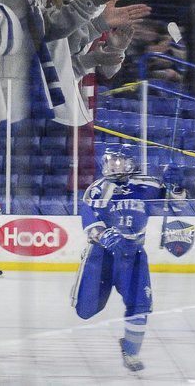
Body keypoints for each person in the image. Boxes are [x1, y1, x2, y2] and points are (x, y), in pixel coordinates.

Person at [71, 145, 170, 372]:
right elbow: (89, 221)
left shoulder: (149, 184)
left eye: (118, 161)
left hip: (133, 255)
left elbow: (174, 203)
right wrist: (103, 234)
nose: (112, 166)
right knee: (86, 311)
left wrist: (176, 189)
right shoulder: (97, 189)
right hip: (102, 256)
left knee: (141, 305)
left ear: (130, 162)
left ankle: (131, 351)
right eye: (109, 161)